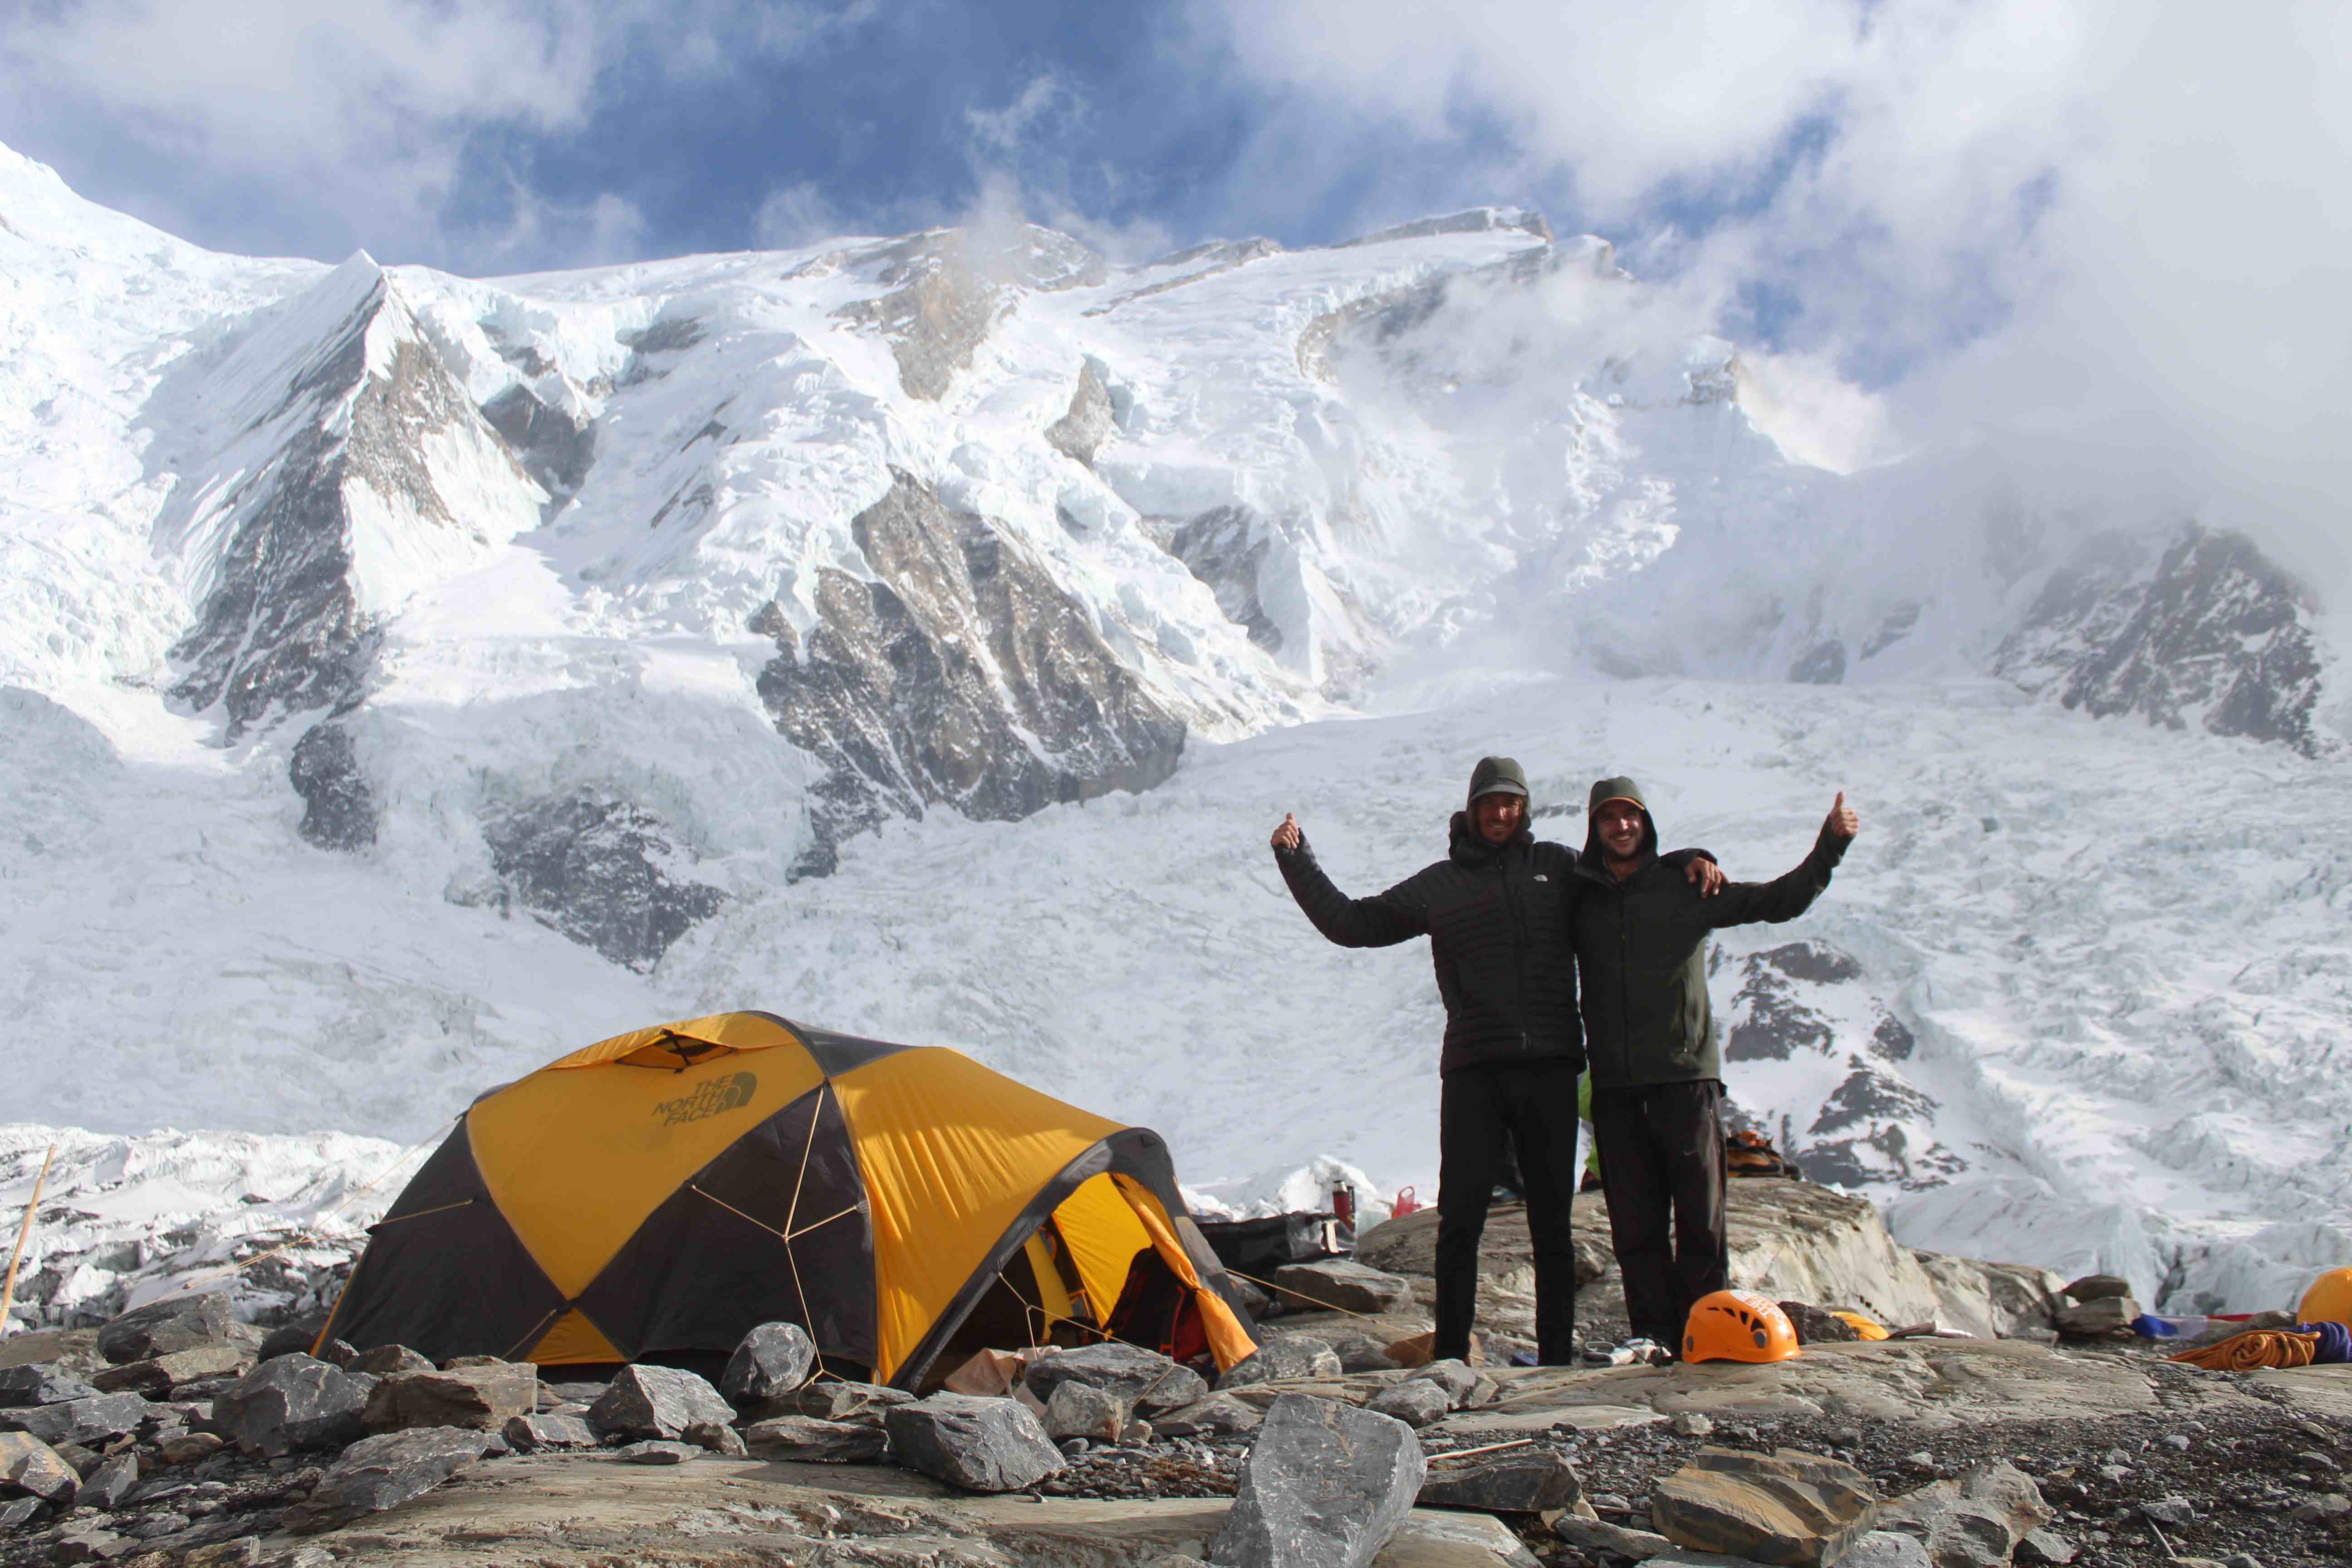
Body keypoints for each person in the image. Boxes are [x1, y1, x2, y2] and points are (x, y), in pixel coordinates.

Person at [1268, 757, 1722, 1365]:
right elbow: (1354, 923)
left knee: (1551, 1225)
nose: (1502, 813)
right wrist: (1297, 861)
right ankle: (1453, 1354)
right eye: (1491, 803)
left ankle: (1555, 1357)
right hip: (1475, 1071)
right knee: (1461, 1221)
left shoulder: (1558, 868)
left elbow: (1626, 865)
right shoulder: (1442, 884)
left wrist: (1687, 854)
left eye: (1512, 803)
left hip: (1553, 1068)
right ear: (1472, 808)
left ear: (1524, 808)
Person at [1569, 775, 1859, 1359]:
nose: (1620, 827)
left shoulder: (1685, 888)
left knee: (1702, 1222)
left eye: (1630, 816)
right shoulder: (1581, 899)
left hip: (1685, 1079)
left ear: (1645, 823)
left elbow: (1779, 901)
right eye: (1609, 818)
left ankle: (1709, 1335)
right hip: (1617, 1087)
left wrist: (1830, 846)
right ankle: (1652, 1336)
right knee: (1635, 1228)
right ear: (1595, 828)